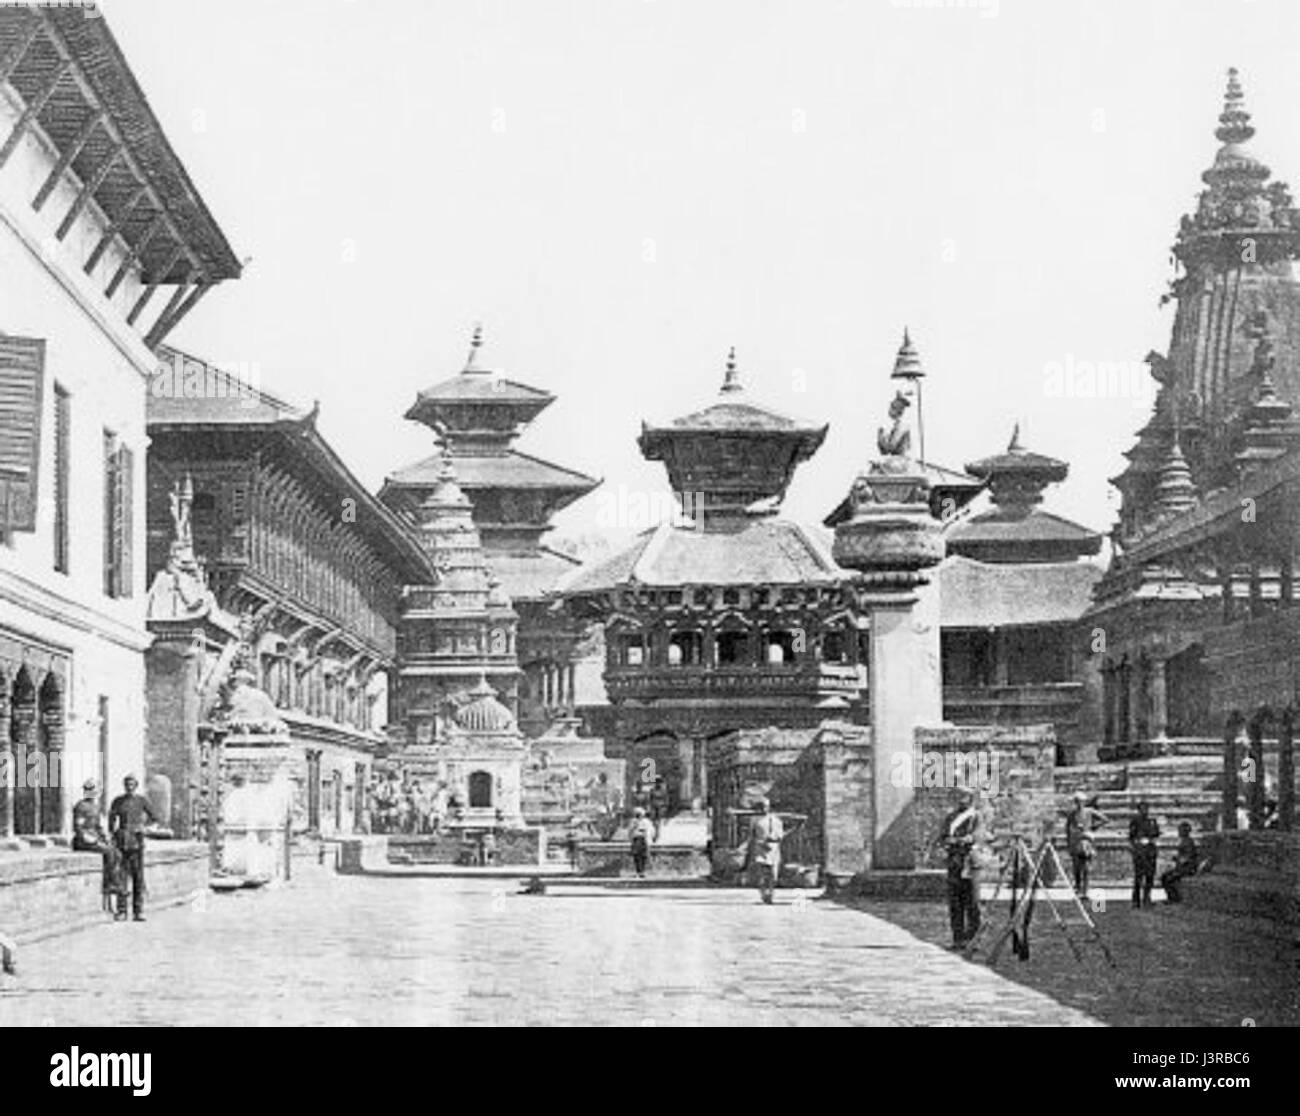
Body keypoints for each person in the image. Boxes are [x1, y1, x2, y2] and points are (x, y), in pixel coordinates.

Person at [937, 788, 982, 949]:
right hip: (955, 862)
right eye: (958, 796)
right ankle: (958, 938)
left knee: (972, 903)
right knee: (955, 903)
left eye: (964, 796)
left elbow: (975, 836)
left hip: (970, 863)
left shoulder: (975, 816)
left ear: (970, 798)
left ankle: (972, 939)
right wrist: (951, 842)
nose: (961, 799)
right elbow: (943, 837)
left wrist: (961, 840)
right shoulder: (950, 818)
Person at [108, 774, 157, 922]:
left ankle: (138, 911)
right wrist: (113, 833)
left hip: (137, 842)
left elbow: (154, 818)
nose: (129, 787)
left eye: (132, 784)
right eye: (127, 784)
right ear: (124, 786)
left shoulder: (142, 801)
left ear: (136, 786)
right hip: (122, 842)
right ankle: (122, 911)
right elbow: (111, 820)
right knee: (121, 877)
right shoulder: (118, 801)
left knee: (138, 878)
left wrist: (145, 828)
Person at [72, 779, 123, 915]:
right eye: (89, 790)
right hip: (83, 841)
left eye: (94, 791)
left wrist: (105, 838)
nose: (92, 793)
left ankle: (112, 880)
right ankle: (112, 884)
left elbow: (99, 827)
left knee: (116, 853)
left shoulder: (95, 807)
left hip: (95, 839)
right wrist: (92, 840)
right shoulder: (81, 806)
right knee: (108, 852)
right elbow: (79, 828)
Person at [1065, 791, 1109, 897]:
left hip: (1086, 841)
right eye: (1077, 802)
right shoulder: (1072, 814)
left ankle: (1085, 889)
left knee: (1086, 867)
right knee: (1076, 866)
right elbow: (1067, 828)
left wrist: (1093, 827)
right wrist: (1069, 842)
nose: (1079, 804)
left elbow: (1104, 819)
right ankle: (1078, 887)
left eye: (1080, 802)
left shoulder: (1089, 812)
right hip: (1076, 841)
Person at [742, 798, 784, 904]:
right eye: (762, 806)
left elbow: (780, 835)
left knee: (773, 874)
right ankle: (764, 894)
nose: (764, 809)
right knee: (762, 873)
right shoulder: (755, 820)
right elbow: (751, 836)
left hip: (773, 849)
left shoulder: (776, 820)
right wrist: (748, 847)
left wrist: (775, 838)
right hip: (760, 848)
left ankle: (771, 893)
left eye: (766, 806)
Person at [1128, 800, 1161, 909]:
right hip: (1140, 851)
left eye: (1146, 808)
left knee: (1150, 876)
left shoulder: (1152, 821)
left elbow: (1156, 834)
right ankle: (1136, 900)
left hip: (1150, 850)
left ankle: (1147, 898)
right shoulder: (1135, 821)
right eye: (1142, 809)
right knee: (1139, 876)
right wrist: (1135, 848)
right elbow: (1131, 837)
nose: (1144, 811)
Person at [1160, 822, 1200, 903]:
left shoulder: (1188, 842)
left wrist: (1177, 859)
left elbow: (1187, 857)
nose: (1179, 832)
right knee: (1165, 876)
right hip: (1183, 867)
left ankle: (1174, 898)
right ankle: (1172, 897)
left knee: (1168, 878)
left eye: (1180, 830)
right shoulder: (1185, 841)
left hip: (1187, 868)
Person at [628, 807, 653, 878]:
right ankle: (638, 871)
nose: (639, 815)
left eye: (640, 814)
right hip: (636, 839)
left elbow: (650, 830)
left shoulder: (646, 821)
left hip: (644, 839)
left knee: (643, 856)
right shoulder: (633, 821)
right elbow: (630, 830)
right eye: (637, 814)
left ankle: (642, 871)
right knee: (636, 856)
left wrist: (649, 839)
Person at [649, 776, 669, 842]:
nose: (657, 783)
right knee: (654, 821)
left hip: (660, 806)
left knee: (658, 821)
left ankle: (656, 834)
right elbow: (650, 798)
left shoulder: (663, 790)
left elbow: (666, 799)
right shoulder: (652, 790)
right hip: (654, 806)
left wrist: (665, 806)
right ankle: (655, 832)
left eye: (659, 782)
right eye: (656, 782)